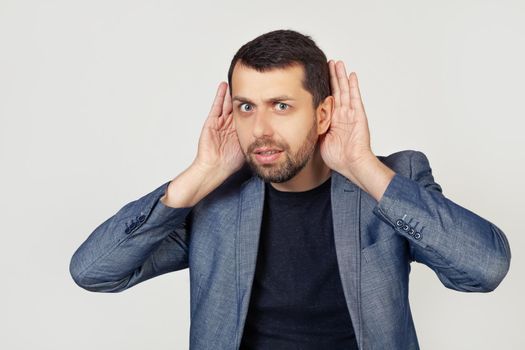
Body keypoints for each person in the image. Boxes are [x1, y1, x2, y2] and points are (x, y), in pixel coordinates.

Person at [69, 29, 511, 350]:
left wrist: (362, 166)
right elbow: (95, 272)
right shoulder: (214, 203)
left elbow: (484, 269)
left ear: (322, 115)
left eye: (281, 106)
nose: (260, 130)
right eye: (246, 107)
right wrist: (201, 172)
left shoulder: (393, 179)